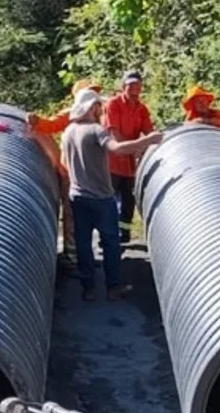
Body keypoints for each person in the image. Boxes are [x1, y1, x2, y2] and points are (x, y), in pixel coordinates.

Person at [62, 88, 162, 301]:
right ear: (92, 107)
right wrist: (147, 140)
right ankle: (113, 286)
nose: (101, 109)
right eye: (99, 105)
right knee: (110, 243)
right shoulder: (95, 130)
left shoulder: (68, 131)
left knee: (83, 243)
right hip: (101, 198)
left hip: (77, 196)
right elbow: (116, 148)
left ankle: (88, 288)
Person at [26, 79, 103, 271]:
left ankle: (84, 253)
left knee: (88, 214)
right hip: (71, 172)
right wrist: (36, 121)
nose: (94, 96)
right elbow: (51, 125)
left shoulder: (100, 115)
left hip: (91, 172)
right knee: (72, 213)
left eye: (95, 92)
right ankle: (71, 255)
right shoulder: (70, 114)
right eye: (90, 91)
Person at [103, 71, 154, 244]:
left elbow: (149, 133)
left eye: (137, 85)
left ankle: (123, 235)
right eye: (130, 85)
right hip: (112, 161)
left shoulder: (142, 108)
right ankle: (107, 235)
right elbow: (114, 134)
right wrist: (138, 146)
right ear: (123, 86)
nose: (134, 89)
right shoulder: (113, 104)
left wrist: (147, 145)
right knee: (109, 200)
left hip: (130, 165)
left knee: (128, 202)